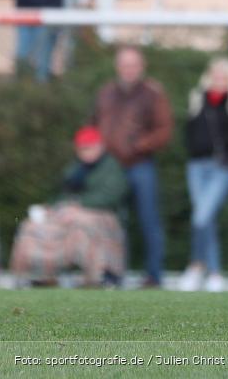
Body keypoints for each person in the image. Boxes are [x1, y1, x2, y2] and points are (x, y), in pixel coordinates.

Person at [93, 45, 173, 287]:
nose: (129, 69)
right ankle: (110, 273)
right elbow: (94, 124)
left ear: (142, 66)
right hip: (110, 167)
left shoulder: (153, 93)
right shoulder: (106, 92)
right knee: (110, 221)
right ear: (118, 67)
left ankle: (154, 275)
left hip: (141, 165)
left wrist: (138, 145)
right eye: (125, 64)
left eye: (133, 64)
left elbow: (164, 130)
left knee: (149, 221)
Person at [10, 126, 129, 287]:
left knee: (81, 225)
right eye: (81, 149)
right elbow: (62, 193)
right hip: (69, 212)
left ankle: (96, 277)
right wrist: (50, 207)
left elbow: (110, 196)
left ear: (99, 146)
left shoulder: (111, 167)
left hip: (102, 215)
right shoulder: (76, 168)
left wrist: (80, 206)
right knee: (31, 226)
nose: (85, 152)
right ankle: (40, 274)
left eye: (88, 148)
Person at [179, 57, 228, 292]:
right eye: (215, 75)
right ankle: (206, 271)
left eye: (224, 76)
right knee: (204, 219)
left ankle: (202, 267)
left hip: (222, 167)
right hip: (197, 166)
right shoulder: (197, 100)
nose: (219, 80)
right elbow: (189, 133)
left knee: (201, 216)